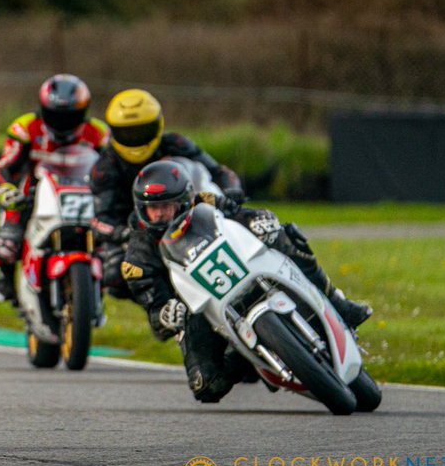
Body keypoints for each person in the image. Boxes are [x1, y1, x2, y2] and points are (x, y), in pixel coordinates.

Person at [122, 160, 373, 403]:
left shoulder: (204, 203)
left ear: (185, 200)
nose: (160, 214)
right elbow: (155, 314)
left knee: (288, 234)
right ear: (140, 209)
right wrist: (167, 314)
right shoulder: (137, 260)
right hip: (200, 310)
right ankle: (247, 355)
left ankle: (339, 304)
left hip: (242, 267)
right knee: (207, 386)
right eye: (152, 209)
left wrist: (260, 221)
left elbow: (240, 213)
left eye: (167, 206)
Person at [90, 89, 244, 306]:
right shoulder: (105, 167)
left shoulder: (175, 143)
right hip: (134, 231)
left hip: (185, 219)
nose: (135, 139)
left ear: (158, 125)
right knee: (116, 272)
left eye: (143, 131)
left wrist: (230, 194)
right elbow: (99, 219)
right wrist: (122, 233)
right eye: (128, 133)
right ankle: (165, 307)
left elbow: (218, 172)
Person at [0, 74, 110, 306]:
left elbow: (113, 170)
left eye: (70, 116)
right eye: (56, 116)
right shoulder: (26, 127)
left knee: (113, 241)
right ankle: (6, 278)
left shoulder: (98, 133)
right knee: (6, 244)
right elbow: (1, 167)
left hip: (85, 198)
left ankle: (100, 284)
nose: (63, 123)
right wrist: (5, 190)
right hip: (33, 198)